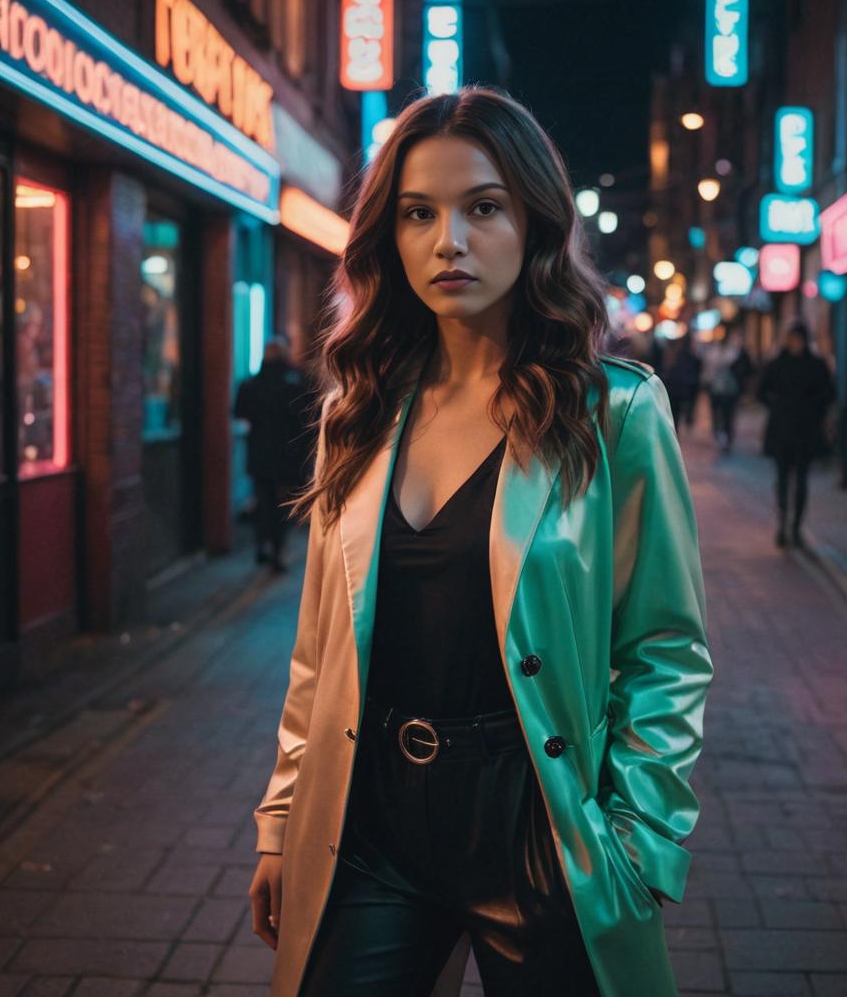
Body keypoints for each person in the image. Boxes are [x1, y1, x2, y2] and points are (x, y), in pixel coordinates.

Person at [246, 86, 712, 997]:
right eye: (418, 213)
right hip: (368, 820)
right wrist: (280, 821)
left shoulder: (612, 412)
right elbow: (318, 652)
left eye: (483, 208)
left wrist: (640, 840)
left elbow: (664, 645)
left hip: (534, 821)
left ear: (535, 220)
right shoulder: (361, 411)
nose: (447, 241)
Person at [233, 336, 314, 572]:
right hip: (288, 456)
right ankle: (276, 552)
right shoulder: (297, 382)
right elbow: (308, 418)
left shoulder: (250, 384)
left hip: (259, 455)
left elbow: (240, 413)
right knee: (282, 505)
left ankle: (261, 546)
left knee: (263, 500)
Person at [757, 323, 834, 548]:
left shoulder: (816, 365)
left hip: (805, 430)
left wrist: (812, 411)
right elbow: (762, 392)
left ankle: (796, 527)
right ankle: (782, 524)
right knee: (781, 479)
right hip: (782, 430)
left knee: (801, 480)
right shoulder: (777, 364)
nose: (794, 343)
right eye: (791, 338)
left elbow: (828, 394)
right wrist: (777, 406)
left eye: (798, 339)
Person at [700, 325, 752, 453]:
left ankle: (727, 438)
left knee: (728, 415)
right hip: (716, 388)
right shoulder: (714, 349)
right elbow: (707, 367)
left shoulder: (736, 350)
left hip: (730, 389)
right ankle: (720, 435)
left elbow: (745, 369)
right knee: (716, 414)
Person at [659, 333, 702, 432]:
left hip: (672, 389)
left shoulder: (675, 355)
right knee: (676, 415)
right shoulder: (686, 356)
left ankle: (673, 433)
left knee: (673, 415)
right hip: (678, 390)